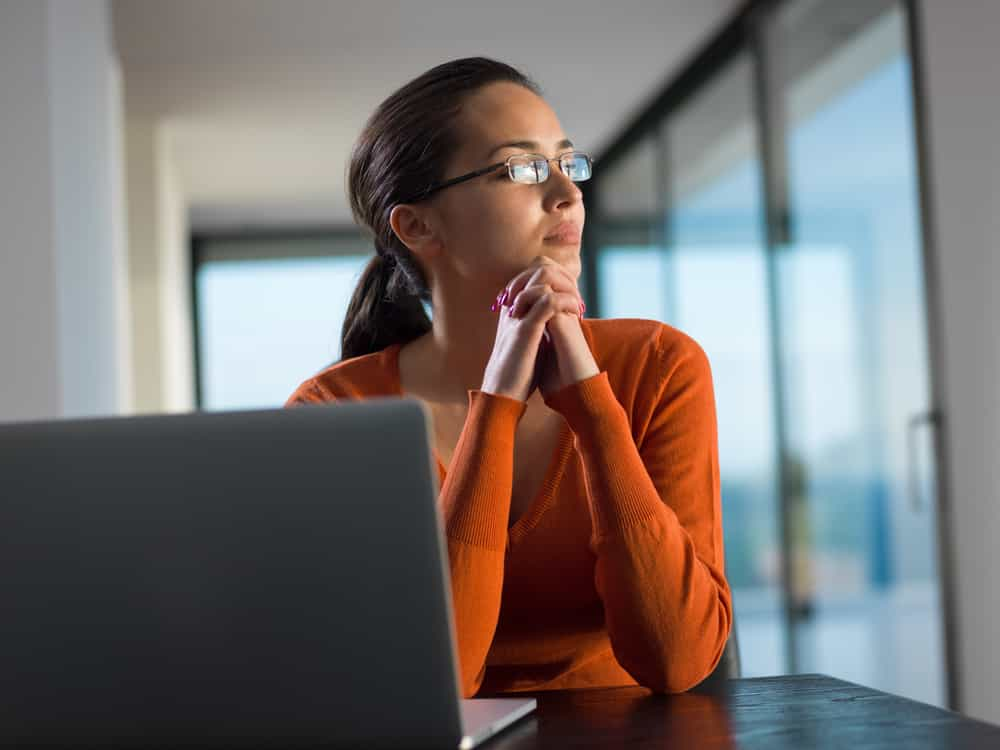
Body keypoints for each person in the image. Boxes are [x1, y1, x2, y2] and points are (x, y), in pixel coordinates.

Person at [285, 57, 732, 697]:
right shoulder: (335, 412)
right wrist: (496, 404)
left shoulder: (660, 366)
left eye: (567, 163)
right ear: (417, 225)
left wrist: (591, 405)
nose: (568, 193)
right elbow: (435, 682)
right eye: (520, 169)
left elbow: (678, 660)